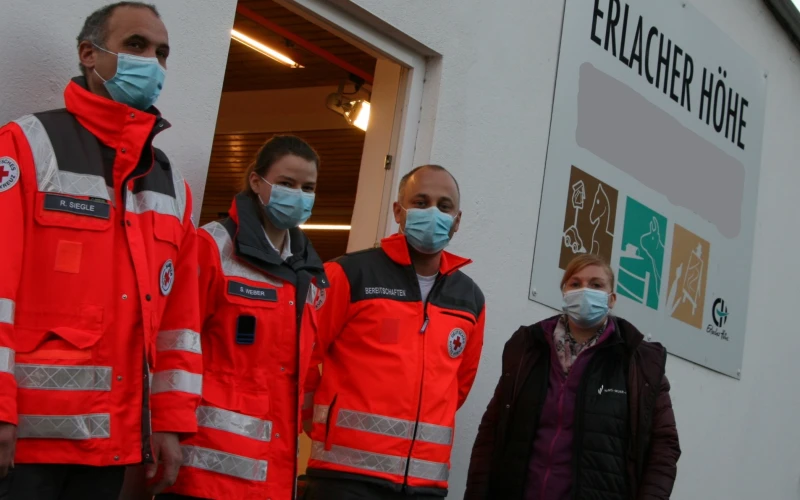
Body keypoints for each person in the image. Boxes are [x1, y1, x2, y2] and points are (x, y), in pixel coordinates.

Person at [0, 2, 202, 499]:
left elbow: (179, 323)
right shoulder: (26, 145)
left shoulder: (171, 182)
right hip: (24, 444)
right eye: (136, 45)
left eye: (162, 52)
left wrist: (171, 424)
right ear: (89, 53)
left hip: (110, 445)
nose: (152, 62)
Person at [158, 135, 329, 500]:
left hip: (271, 474)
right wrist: (166, 429)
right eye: (286, 184)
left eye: (308, 187)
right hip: (204, 470)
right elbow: (177, 342)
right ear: (256, 181)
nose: (298, 194)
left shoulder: (308, 272)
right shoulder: (213, 247)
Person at [302, 164, 486, 499]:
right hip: (345, 478)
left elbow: (457, 386)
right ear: (398, 212)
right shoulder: (348, 273)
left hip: (426, 485)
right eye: (420, 202)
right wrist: (314, 418)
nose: (433, 212)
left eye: (444, 206)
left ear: (457, 220)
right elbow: (301, 354)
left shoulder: (471, 298)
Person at [464, 254, 681, 499]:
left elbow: (664, 445)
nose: (585, 290)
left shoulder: (638, 362)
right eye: (575, 284)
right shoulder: (529, 347)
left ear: (611, 299)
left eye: (596, 285)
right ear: (564, 292)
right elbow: (492, 429)